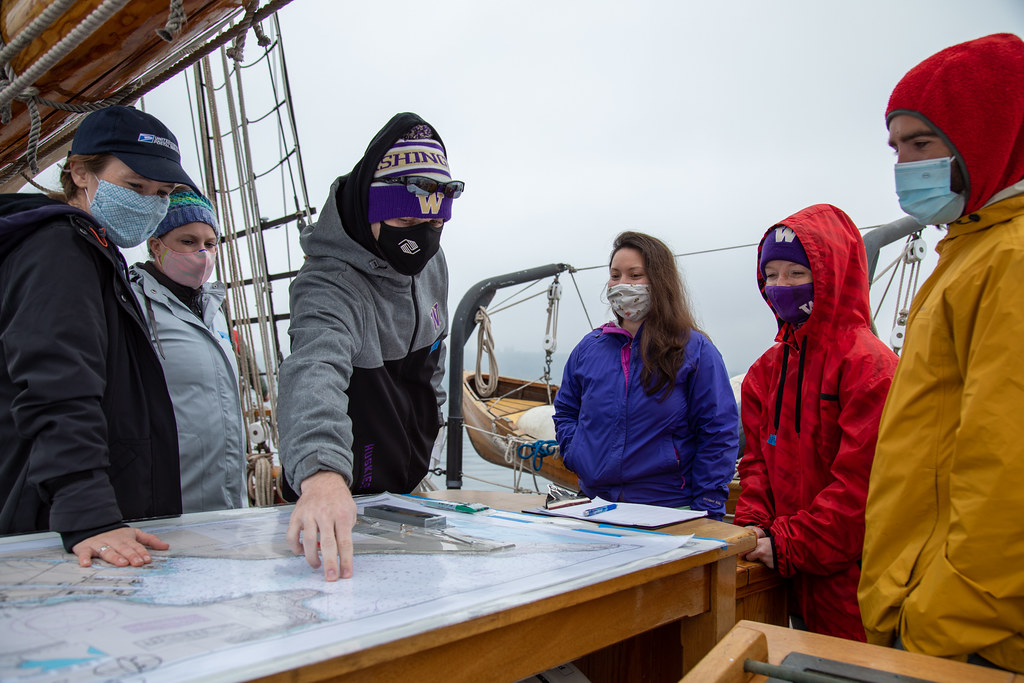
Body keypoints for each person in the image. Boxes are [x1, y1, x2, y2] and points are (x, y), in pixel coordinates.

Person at [858, 33, 1024, 672]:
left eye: (922, 144)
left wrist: (934, 624)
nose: (905, 165)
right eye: (897, 148)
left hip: (966, 634)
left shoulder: (1008, 262)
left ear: (989, 136)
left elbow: (1005, 471)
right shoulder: (969, 253)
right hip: (929, 606)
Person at [0, 105, 198, 568]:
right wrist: (88, 513)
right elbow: (57, 383)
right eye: (135, 186)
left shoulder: (91, 250)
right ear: (81, 173)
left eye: (163, 192)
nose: (151, 202)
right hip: (59, 525)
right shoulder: (60, 249)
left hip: (86, 516)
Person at [277, 113, 463, 581]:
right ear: (369, 204)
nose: (420, 236)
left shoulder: (433, 265)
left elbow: (433, 363)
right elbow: (314, 367)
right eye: (404, 218)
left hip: (407, 492)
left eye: (434, 222)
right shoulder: (327, 285)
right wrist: (321, 473)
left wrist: (429, 439)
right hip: (337, 496)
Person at [734, 205, 897, 641]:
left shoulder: (871, 369)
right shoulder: (765, 373)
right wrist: (753, 524)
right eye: (771, 274)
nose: (780, 287)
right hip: (783, 569)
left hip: (853, 582)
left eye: (796, 274)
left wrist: (788, 543)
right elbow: (755, 465)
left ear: (831, 277)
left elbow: (861, 489)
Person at [552, 231, 738, 519]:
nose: (622, 284)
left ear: (660, 282)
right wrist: (577, 452)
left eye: (635, 275)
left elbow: (718, 432)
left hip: (671, 510)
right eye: (615, 275)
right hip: (596, 508)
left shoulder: (695, 351)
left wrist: (708, 506)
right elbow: (566, 410)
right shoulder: (588, 349)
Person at [129, 190, 246, 512]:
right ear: (156, 245)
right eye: (188, 242)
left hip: (226, 496)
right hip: (164, 496)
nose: (202, 253)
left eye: (210, 244)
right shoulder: (133, 305)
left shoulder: (214, 307)